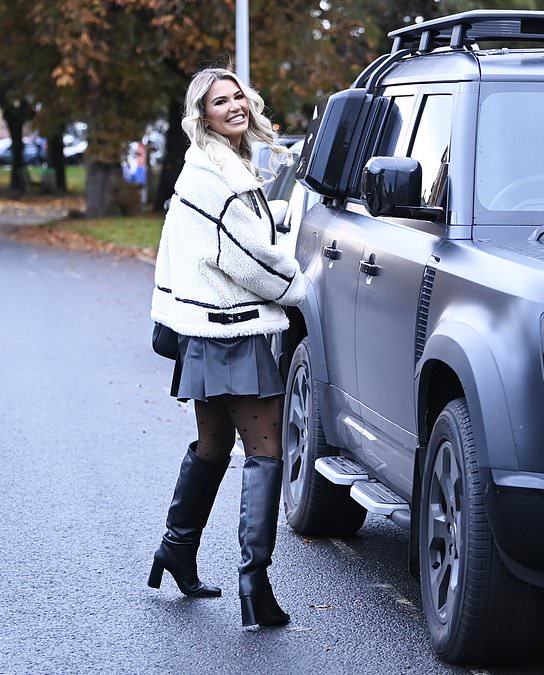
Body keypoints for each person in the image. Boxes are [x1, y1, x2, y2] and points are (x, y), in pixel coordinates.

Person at [147, 67, 305, 628]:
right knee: (265, 453)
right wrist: (299, 289)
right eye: (221, 101)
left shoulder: (206, 167)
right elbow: (249, 258)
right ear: (203, 115)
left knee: (212, 448)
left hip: (202, 329)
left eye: (238, 95)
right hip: (233, 330)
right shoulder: (220, 176)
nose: (235, 106)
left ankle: (176, 549)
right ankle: (254, 585)